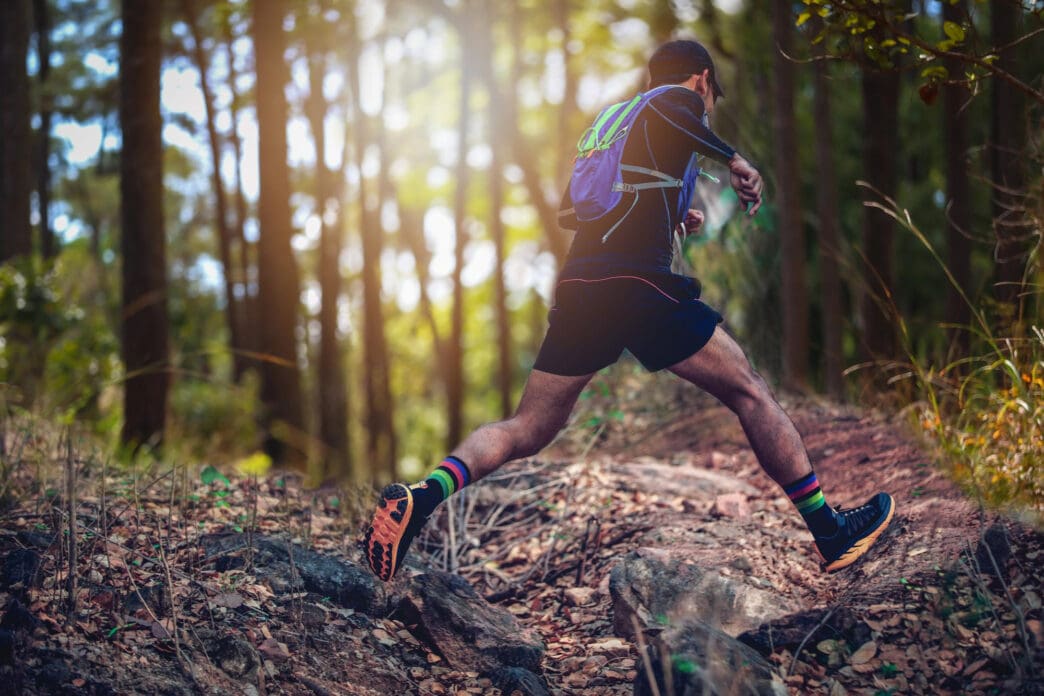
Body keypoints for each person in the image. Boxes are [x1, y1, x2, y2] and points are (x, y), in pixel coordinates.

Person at [363, 39, 895, 582]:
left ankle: (423, 495)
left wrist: (671, 214)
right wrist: (734, 158)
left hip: (582, 288)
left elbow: (584, 208)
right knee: (750, 390)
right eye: (710, 96)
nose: (706, 106)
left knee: (526, 426)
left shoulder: (614, 120)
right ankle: (831, 530)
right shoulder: (676, 100)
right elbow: (681, 118)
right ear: (703, 79)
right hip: (639, 286)